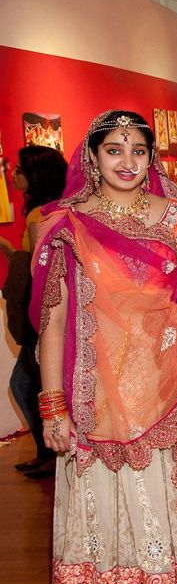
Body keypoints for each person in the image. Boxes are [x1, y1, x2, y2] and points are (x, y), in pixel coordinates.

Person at [31, 110, 177, 584]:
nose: (128, 162)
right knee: (101, 507)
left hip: (163, 389)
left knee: (159, 502)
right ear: (92, 156)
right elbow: (55, 321)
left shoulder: (176, 219)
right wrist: (52, 406)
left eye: (138, 150)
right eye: (114, 149)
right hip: (93, 395)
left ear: (152, 157)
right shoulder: (66, 226)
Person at [1, 146, 67, 477]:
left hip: (40, 316)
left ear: (36, 175)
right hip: (45, 315)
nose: (12, 175)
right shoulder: (54, 209)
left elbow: (40, 272)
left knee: (26, 383)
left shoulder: (38, 215)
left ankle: (50, 452)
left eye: (18, 170)